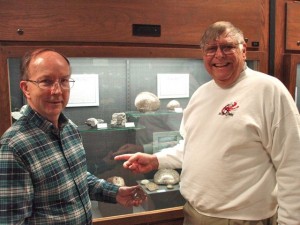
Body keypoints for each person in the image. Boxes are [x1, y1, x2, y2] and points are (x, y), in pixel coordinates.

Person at [115, 21, 300, 225]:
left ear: (244, 50)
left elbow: (293, 164)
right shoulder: (201, 95)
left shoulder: (269, 90)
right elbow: (191, 147)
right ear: (204, 54)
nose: (219, 55)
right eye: (211, 48)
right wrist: (156, 160)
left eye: (227, 47)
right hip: (195, 214)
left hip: (243, 220)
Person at [0, 48, 146, 224]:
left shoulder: (69, 129)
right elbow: (10, 220)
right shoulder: (13, 147)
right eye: (46, 81)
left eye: (64, 81)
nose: (57, 91)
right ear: (26, 89)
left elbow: (77, 178)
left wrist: (115, 193)